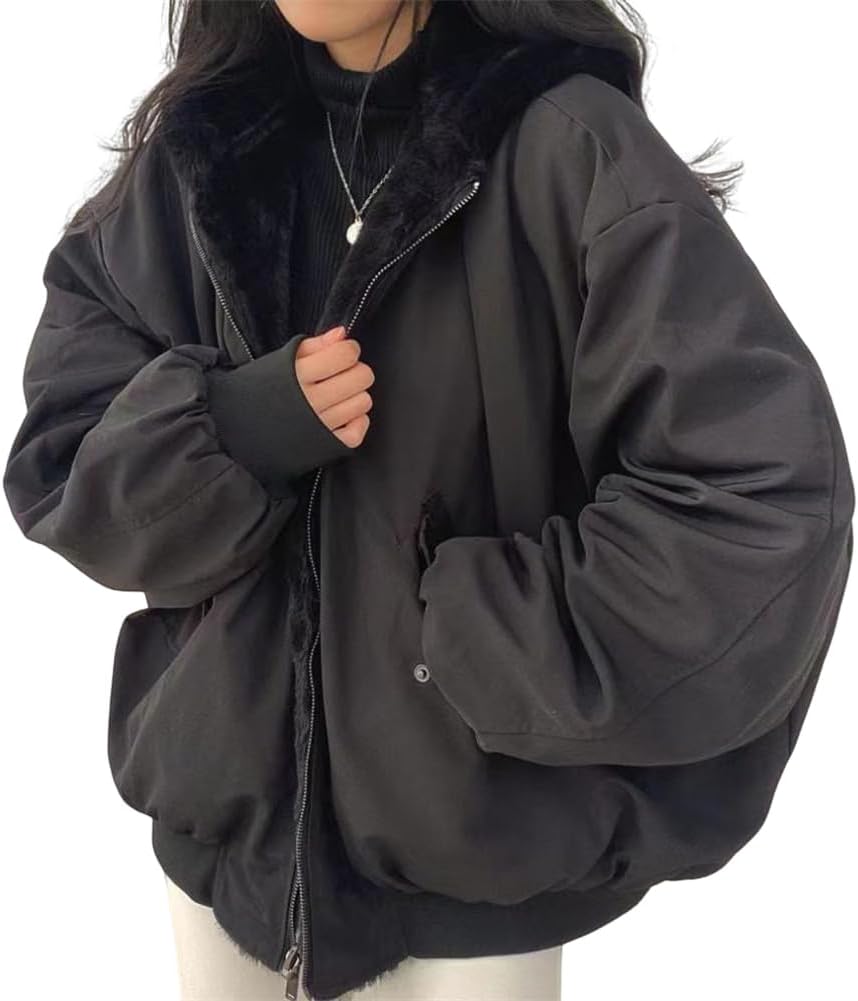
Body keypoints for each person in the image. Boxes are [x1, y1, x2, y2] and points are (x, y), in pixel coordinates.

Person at [3, 1, 854, 999]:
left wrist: (470, 635)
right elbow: (64, 455)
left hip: (476, 862)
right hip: (224, 841)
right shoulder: (202, 152)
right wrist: (234, 429)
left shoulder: (567, 145)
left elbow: (761, 494)